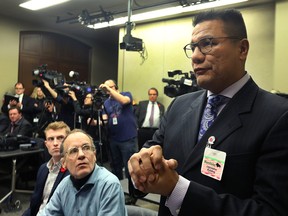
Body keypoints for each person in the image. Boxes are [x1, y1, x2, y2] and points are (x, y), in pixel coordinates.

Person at [128, 9, 288, 216]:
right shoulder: (179, 105)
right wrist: (142, 165)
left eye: (208, 44)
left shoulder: (278, 116)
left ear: (242, 49)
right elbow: (153, 148)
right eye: (193, 47)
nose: (195, 56)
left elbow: (270, 211)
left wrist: (178, 190)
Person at [39, 129, 127, 216]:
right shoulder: (64, 186)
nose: (81, 155)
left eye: (86, 148)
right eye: (73, 151)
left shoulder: (109, 185)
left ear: (94, 155)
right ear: (64, 163)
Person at [22, 121, 70, 216]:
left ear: (68, 141)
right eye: (51, 139)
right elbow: (34, 204)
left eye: (60, 138)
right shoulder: (43, 168)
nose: (55, 143)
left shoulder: (74, 172)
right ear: (46, 144)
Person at [99, 79, 138, 180]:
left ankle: (133, 193)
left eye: (110, 87)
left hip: (128, 138)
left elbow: (124, 101)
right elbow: (105, 119)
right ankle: (117, 190)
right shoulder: (106, 103)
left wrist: (108, 89)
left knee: (131, 167)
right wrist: (96, 122)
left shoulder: (126, 94)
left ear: (116, 87)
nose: (107, 90)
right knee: (116, 167)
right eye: (105, 88)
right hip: (114, 139)